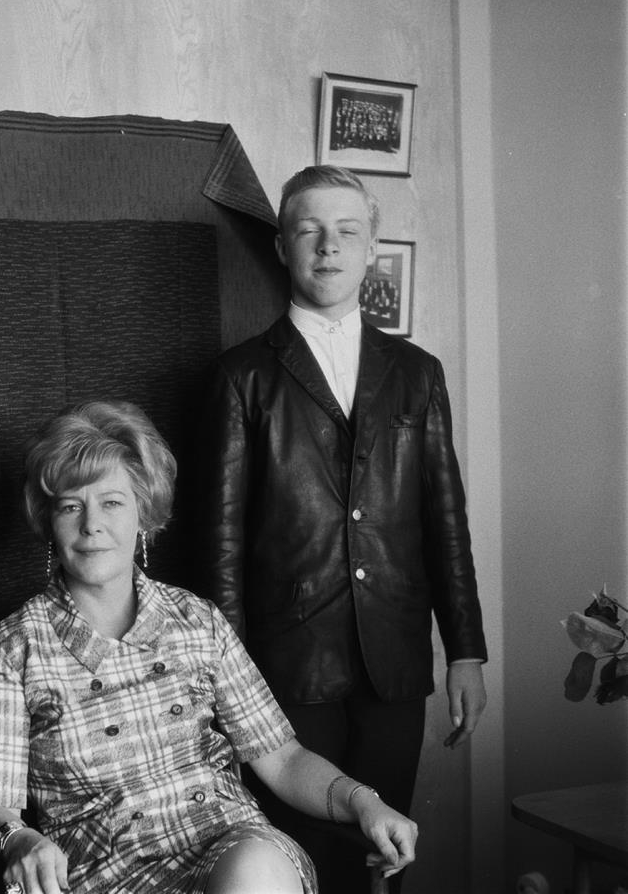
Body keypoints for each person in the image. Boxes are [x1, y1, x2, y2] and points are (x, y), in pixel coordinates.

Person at [0, 400, 417, 894]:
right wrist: (17, 839)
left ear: (143, 514)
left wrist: (364, 802)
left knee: (256, 869)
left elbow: (283, 761)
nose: (91, 524)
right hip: (104, 875)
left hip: (231, 850)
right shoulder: (14, 647)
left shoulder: (197, 620)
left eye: (111, 502)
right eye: (71, 506)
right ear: (50, 521)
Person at [197, 164, 487, 891]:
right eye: (310, 231)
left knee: (382, 858)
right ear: (282, 247)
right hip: (285, 665)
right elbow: (221, 541)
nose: (328, 246)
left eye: (347, 232)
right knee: (302, 857)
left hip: (395, 660)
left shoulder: (418, 373)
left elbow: (445, 520)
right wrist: (228, 679)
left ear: (370, 247)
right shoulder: (242, 376)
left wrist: (465, 652)